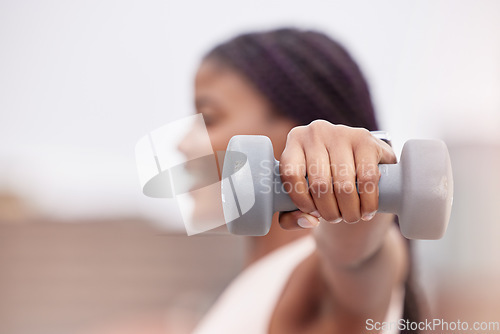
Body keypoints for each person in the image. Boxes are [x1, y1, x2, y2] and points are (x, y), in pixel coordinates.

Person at [181, 28, 420, 334]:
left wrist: (357, 203)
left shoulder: (316, 276)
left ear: (299, 131)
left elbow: (358, 257)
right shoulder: (259, 282)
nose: (183, 143)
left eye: (209, 118)